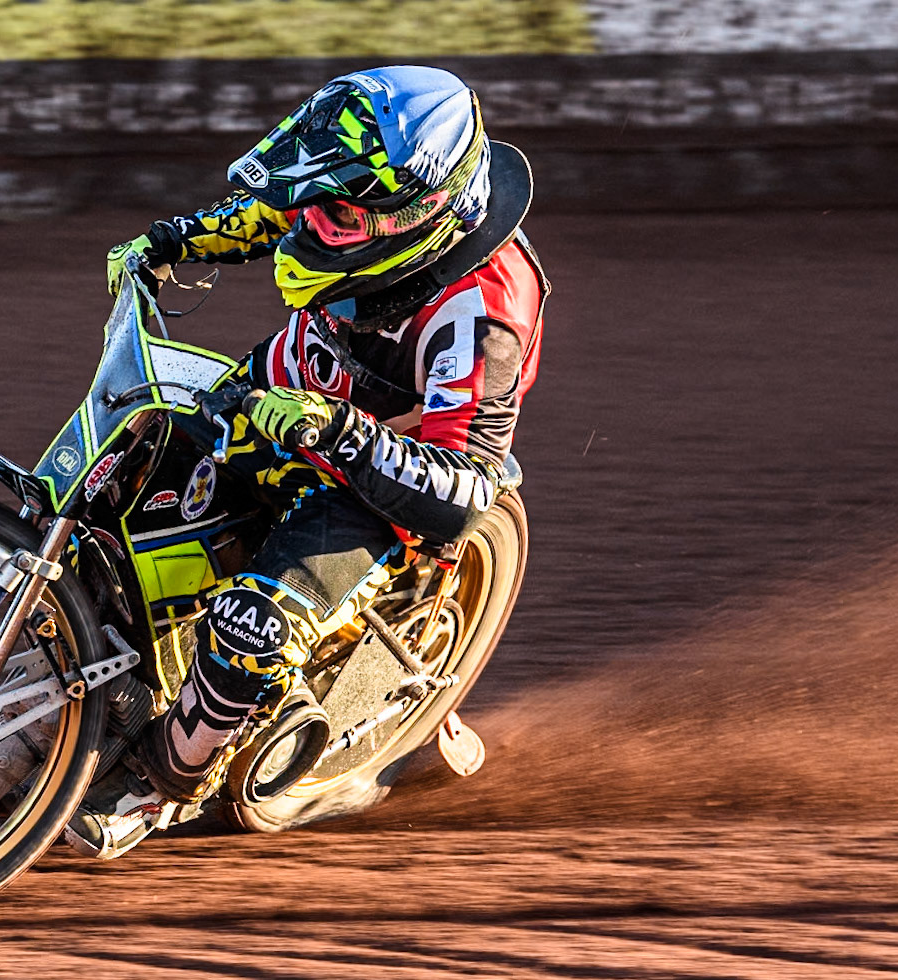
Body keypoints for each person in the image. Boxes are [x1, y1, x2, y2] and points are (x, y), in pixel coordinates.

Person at [64, 65, 549, 859]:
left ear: (416, 214)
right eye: (317, 204)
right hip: (284, 395)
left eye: (340, 216)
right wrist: (175, 237)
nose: (313, 225)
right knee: (119, 485)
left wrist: (339, 435)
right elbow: (273, 204)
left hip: (380, 479)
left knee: (251, 627)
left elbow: (465, 491)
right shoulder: (361, 198)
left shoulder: (483, 311)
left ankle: (161, 784)